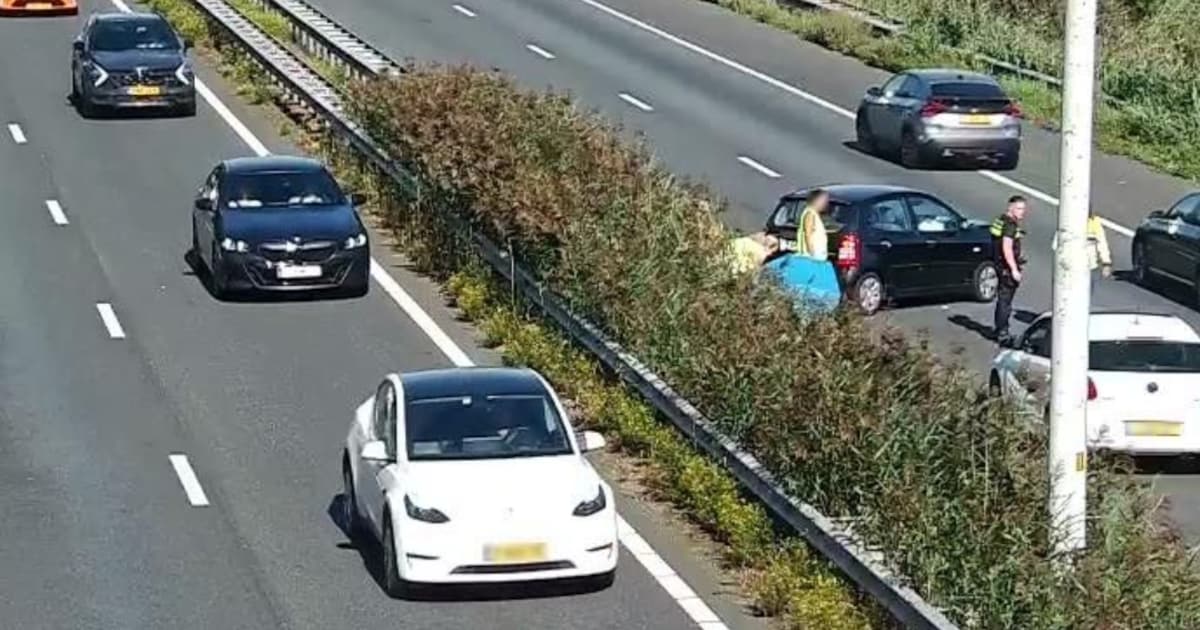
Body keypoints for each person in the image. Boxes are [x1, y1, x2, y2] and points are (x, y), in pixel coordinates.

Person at [990, 195, 1027, 344]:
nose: (1022, 212)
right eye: (1019, 208)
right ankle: (1002, 333)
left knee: (1002, 299)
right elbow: (1007, 247)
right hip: (1006, 267)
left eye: (1024, 209)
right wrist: (1014, 269)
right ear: (1010, 207)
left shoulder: (1001, 220)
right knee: (1005, 301)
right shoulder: (1010, 225)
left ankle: (999, 329)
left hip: (998, 264)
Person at [1051, 207, 1112, 296]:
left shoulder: (1094, 223)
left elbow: (1102, 243)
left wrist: (1106, 262)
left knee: (1084, 294)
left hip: (1087, 265)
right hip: (1070, 266)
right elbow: (1057, 243)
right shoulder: (1067, 221)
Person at [795, 189, 830, 261]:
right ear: (817, 200)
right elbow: (808, 234)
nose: (826, 203)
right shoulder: (810, 214)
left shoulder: (814, 213)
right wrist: (812, 254)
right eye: (824, 200)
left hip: (816, 256)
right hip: (810, 257)